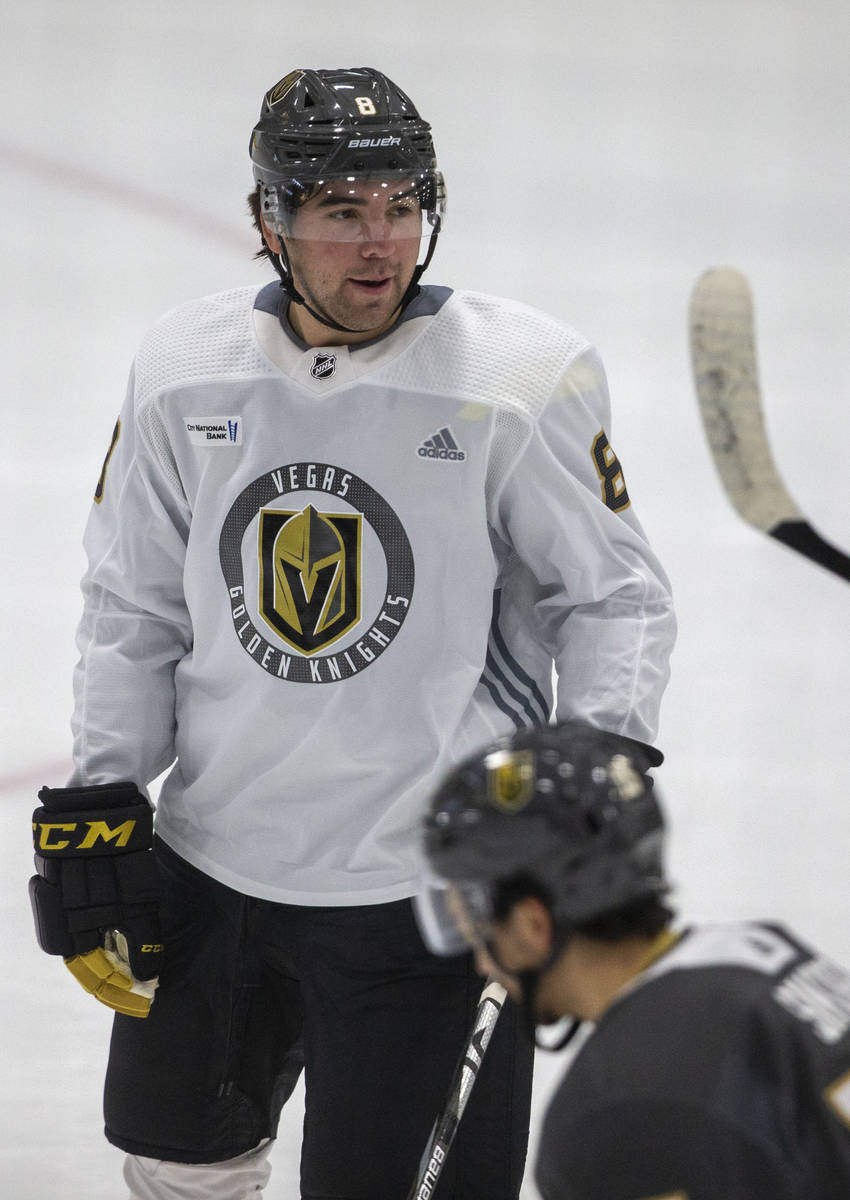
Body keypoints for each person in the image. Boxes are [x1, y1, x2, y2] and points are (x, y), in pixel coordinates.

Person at [28, 67, 676, 1200]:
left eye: (402, 205)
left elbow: (613, 596)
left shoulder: (517, 377)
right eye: (340, 210)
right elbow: (133, 603)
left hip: (428, 897)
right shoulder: (184, 370)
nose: (380, 242)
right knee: (178, 1160)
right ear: (268, 221)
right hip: (214, 860)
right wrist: (104, 799)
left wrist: (597, 771)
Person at [418, 720, 850, 1199]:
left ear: (532, 926)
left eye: (479, 930)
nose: (481, 964)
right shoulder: (762, 954)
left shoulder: (616, 1113)